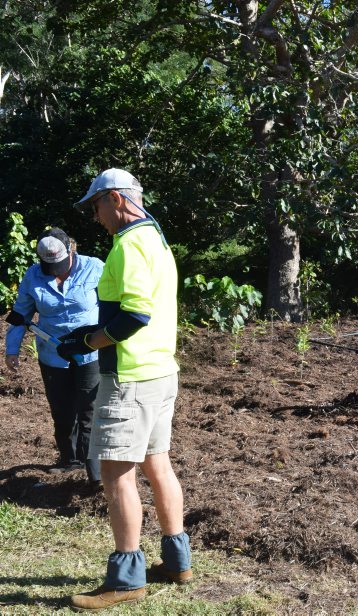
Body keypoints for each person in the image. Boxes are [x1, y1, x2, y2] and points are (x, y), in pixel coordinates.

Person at [60, 169, 191, 611]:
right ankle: (177, 562)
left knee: (117, 475)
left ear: (115, 199)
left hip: (130, 379)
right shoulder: (156, 240)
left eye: (95, 206)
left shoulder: (130, 245)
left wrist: (88, 341)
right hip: (160, 373)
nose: (95, 217)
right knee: (159, 465)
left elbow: (134, 315)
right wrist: (92, 333)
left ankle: (126, 578)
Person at [4, 228, 104, 486]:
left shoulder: (94, 267)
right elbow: (20, 315)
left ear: (71, 250)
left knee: (89, 408)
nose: (56, 270)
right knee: (62, 410)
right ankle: (69, 460)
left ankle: (93, 469)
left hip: (89, 351)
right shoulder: (33, 275)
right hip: (53, 353)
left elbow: (111, 305)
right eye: (50, 266)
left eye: (59, 264)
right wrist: (12, 350)